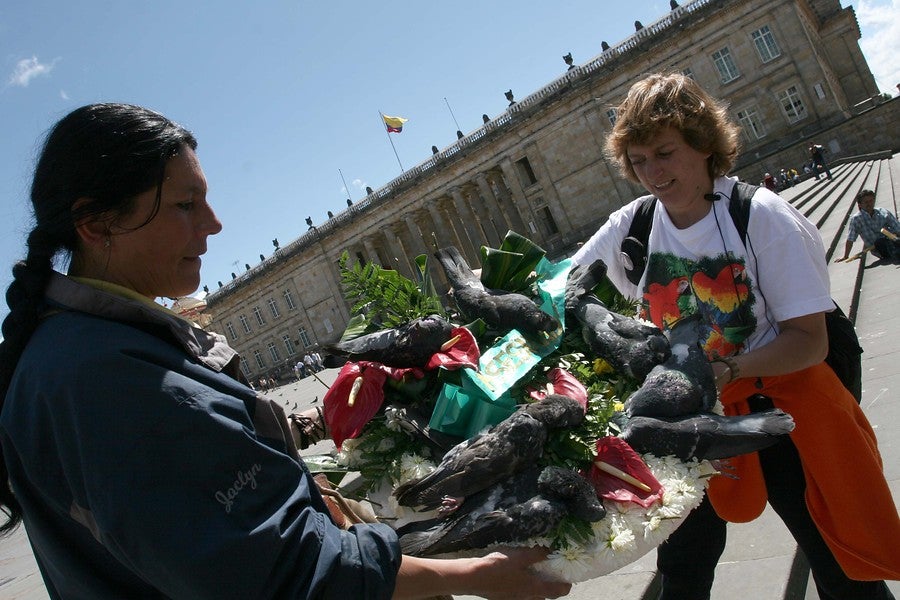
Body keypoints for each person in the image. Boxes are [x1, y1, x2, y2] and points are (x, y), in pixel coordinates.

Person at [0, 103, 570, 600]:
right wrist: (475, 572)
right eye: (185, 204)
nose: (215, 224)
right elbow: (290, 576)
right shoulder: (110, 380)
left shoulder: (72, 352)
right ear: (97, 224)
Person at [573, 73, 899, 599]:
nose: (652, 172)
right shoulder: (630, 227)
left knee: (835, 563)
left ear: (703, 144)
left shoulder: (762, 217)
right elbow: (558, 288)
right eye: (638, 161)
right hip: (688, 420)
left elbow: (809, 341)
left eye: (664, 152)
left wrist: (728, 370)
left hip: (778, 408)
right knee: (683, 568)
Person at [840, 189, 900, 262]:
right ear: (860, 204)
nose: (869, 204)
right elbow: (850, 239)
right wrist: (846, 256)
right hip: (879, 248)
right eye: (866, 202)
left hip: (893, 240)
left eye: (871, 201)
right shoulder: (856, 219)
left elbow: (897, 228)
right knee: (880, 242)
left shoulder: (883, 212)